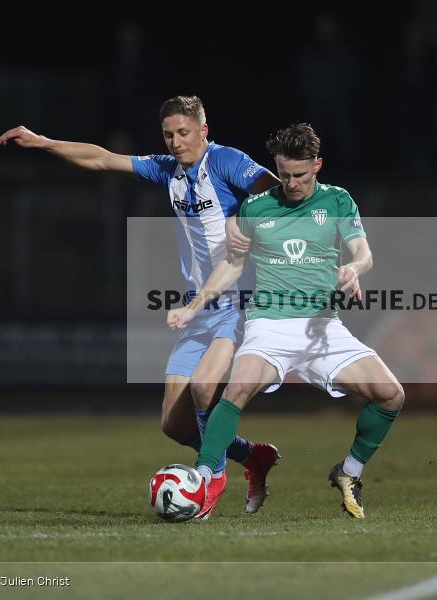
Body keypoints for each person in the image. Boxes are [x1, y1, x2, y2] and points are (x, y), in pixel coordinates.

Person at [0, 95, 282, 519]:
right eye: (168, 134)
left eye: (184, 133)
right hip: (198, 308)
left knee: (206, 388)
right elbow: (103, 160)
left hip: (238, 302)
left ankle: (209, 483)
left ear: (203, 130)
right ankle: (251, 457)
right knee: (174, 424)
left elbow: (270, 187)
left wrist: (253, 222)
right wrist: (44, 143)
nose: (175, 142)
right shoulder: (169, 168)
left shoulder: (224, 162)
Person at [168, 123, 405, 519]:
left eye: (300, 174)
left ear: (318, 165)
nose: (291, 183)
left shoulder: (338, 201)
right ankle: (204, 481)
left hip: (322, 328)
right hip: (269, 325)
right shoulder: (257, 207)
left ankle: (349, 473)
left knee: (392, 394)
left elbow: (364, 253)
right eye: (284, 174)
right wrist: (193, 308)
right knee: (235, 391)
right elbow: (232, 265)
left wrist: (354, 268)